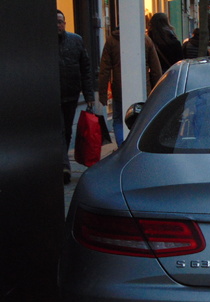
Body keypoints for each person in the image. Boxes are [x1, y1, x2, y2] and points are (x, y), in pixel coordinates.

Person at [98, 28, 162, 147]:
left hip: (119, 89)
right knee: (141, 119)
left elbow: (104, 69)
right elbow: (156, 70)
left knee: (118, 120)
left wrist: (102, 93)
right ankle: (137, 146)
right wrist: (158, 91)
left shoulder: (111, 41)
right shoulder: (145, 40)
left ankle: (122, 147)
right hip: (143, 88)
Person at [57, 9, 94, 185]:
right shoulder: (43, 42)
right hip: (51, 95)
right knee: (60, 130)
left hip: (71, 94)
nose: (58, 25)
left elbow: (85, 68)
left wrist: (89, 95)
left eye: (61, 21)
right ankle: (64, 166)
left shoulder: (76, 40)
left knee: (67, 131)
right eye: (55, 21)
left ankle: (61, 162)